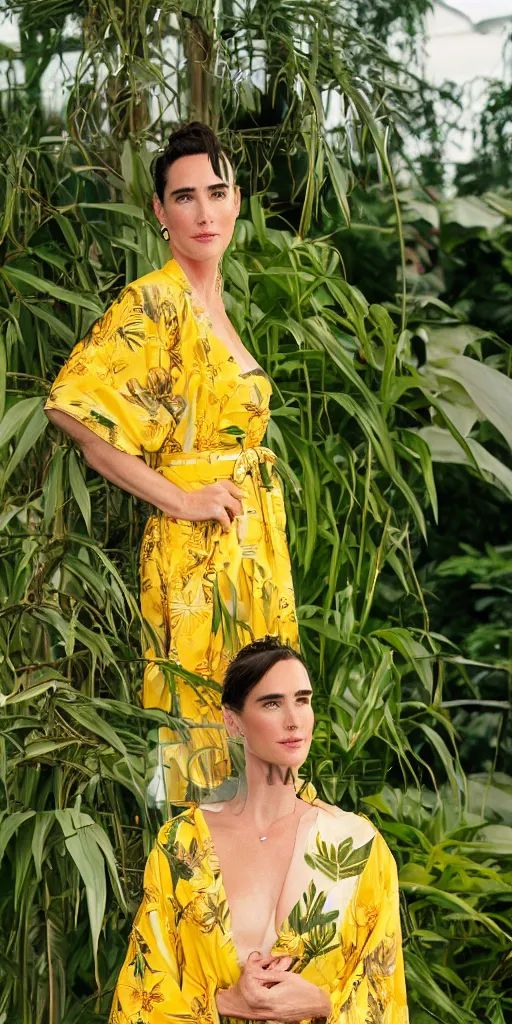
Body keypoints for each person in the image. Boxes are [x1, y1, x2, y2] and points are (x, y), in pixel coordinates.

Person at [44, 123, 298, 802]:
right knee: (208, 758)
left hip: (252, 560)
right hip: (197, 563)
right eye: (185, 197)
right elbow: (72, 409)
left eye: (216, 192)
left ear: (237, 199)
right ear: (160, 213)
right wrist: (181, 500)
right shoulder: (155, 300)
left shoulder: (215, 304)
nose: (204, 211)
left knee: (259, 754)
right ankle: (195, 898)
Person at [110, 637, 408, 1023]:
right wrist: (226, 1003)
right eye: (272, 703)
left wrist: (323, 1005)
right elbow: (139, 997)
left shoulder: (358, 846)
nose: (293, 718)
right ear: (233, 721)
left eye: (303, 700)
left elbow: (386, 994)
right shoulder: (182, 845)